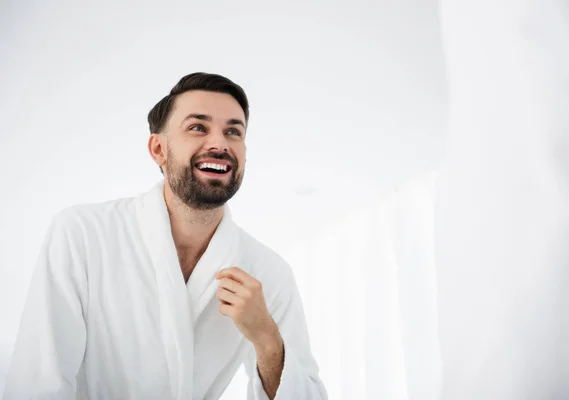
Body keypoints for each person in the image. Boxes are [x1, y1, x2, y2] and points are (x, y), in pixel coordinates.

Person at [4, 72, 327, 400]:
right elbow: (38, 381)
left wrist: (267, 339)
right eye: (198, 127)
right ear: (158, 149)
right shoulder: (83, 234)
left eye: (233, 131)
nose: (219, 144)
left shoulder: (267, 272)